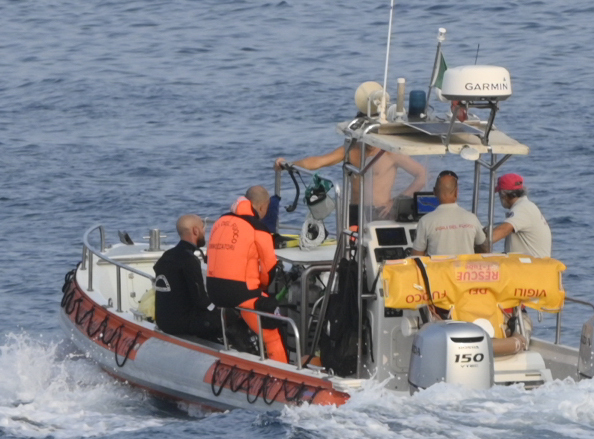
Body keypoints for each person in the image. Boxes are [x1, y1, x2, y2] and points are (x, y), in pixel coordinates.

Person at [205, 187, 287, 362]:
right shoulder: (258, 228)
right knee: (273, 332)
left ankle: (240, 342)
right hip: (240, 292)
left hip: (213, 290)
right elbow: (269, 269)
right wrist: (264, 289)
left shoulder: (221, 221)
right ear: (264, 207)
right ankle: (282, 374)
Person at [278, 140, 429, 224]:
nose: (371, 141)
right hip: (354, 211)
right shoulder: (351, 150)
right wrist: (289, 164)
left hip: (381, 211)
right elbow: (319, 161)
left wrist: (396, 201)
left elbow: (422, 175)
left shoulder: (390, 152)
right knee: (352, 254)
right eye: (367, 136)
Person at [150, 214, 219, 341]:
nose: (204, 232)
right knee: (230, 317)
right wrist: (221, 312)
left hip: (163, 321)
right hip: (181, 324)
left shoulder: (167, 256)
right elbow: (200, 300)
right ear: (195, 231)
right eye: (203, 229)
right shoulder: (189, 260)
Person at [483, 172, 551, 259]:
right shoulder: (528, 206)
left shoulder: (522, 209)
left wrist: (475, 242)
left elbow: (499, 232)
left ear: (503, 195)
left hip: (531, 268)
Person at [415, 170, 483, 256]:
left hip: (440, 269)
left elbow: (417, 255)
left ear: (434, 192)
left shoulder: (425, 221)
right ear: (456, 192)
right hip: (465, 269)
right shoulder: (472, 218)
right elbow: (482, 244)